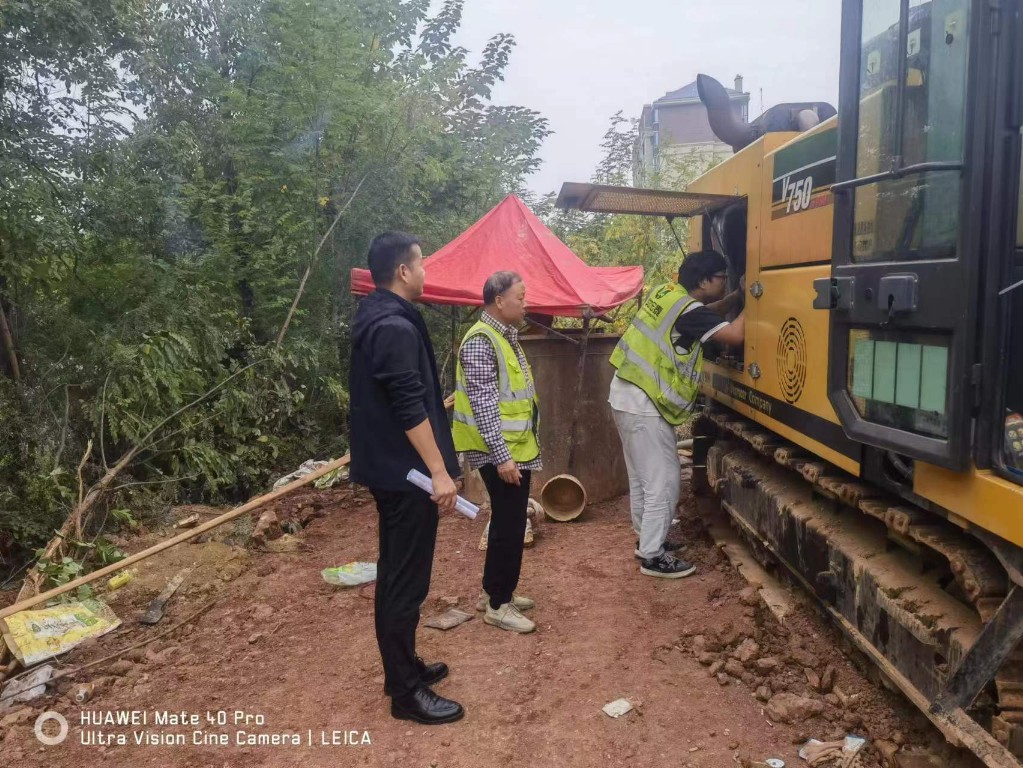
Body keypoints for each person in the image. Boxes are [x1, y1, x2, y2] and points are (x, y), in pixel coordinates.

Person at [349, 231, 464, 725]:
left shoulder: (380, 314)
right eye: (421, 264)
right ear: (403, 271)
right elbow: (408, 404)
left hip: (396, 470)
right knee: (404, 582)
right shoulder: (392, 326)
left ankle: (405, 666)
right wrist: (438, 472)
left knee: (400, 574)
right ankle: (404, 692)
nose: (424, 272)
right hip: (408, 476)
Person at [608, 250, 745, 578]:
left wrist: (733, 298)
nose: (724, 282)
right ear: (704, 281)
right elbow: (735, 334)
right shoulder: (688, 310)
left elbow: (706, 315)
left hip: (627, 395)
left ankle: (647, 541)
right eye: (721, 278)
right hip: (645, 403)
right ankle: (653, 556)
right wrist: (757, 299)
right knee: (664, 480)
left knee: (642, 479)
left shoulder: (667, 294)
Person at [452, 271, 541, 634]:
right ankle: (498, 605)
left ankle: (494, 591)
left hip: (512, 447)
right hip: (500, 451)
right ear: (499, 301)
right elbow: (484, 404)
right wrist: (502, 456)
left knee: (509, 519)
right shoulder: (481, 340)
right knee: (508, 524)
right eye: (520, 297)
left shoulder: (504, 336)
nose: (525, 303)